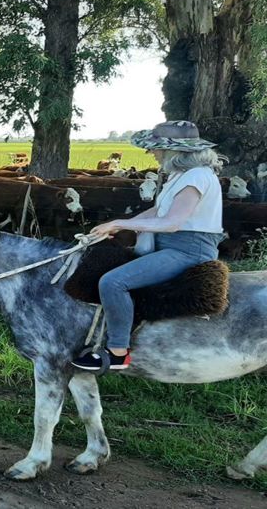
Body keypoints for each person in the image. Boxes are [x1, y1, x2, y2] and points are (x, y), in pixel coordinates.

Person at [71, 120, 225, 371]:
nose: (151, 152)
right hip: (171, 246)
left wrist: (121, 222)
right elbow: (158, 210)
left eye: (155, 148)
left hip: (187, 250)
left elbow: (173, 223)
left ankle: (118, 352)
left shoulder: (197, 176)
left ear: (172, 150)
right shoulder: (181, 175)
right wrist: (117, 226)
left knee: (113, 282)